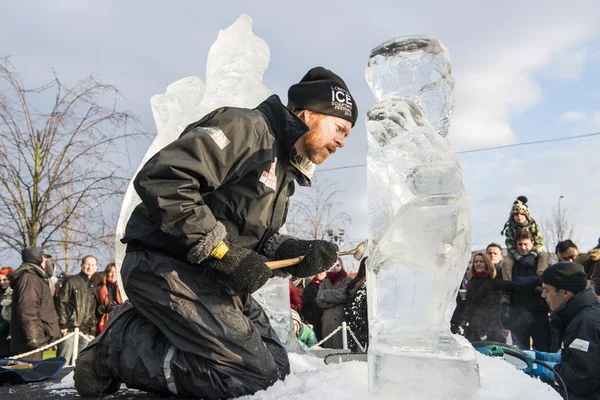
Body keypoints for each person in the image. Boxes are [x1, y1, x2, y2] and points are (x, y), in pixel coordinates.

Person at [73, 66, 357, 398]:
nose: (341, 142)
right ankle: (118, 348)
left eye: (347, 135)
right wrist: (221, 252)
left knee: (278, 369)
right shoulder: (247, 129)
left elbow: (250, 236)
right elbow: (164, 179)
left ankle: (155, 325)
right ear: (308, 114)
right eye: (339, 128)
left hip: (211, 279)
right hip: (164, 264)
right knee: (250, 376)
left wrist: (293, 253)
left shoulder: (283, 171)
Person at [524, 261, 600, 399]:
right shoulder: (580, 315)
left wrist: (541, 368)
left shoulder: (585, 322)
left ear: (565, 293)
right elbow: (579, 358)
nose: (543, 295)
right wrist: (540, 357)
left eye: (547, 290)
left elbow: (581, 376)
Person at [501, 230, 551, 351]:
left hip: (539, 313)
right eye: (520, 244)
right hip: (518, 312)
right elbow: (499, 283)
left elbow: (547, 280)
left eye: (526, 244)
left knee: (543, 350)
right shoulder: (511, 263)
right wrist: (516, 284)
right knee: (520, 353)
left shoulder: (540, 261)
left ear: (532, 244)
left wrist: (531, 281)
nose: (523, 248)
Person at [9, 247, 60, 360]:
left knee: (33, 372)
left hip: (38, 335)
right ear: (39, 257)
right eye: (45, 257)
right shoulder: (30, 278)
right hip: (33, 339)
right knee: (28, 372)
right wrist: (32, 337)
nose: (47, 260)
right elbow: (27, 309)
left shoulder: (35, 277)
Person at [56, 255, 100, 364]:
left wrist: (93, 330)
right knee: (64, 360)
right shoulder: (71, 281)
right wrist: (63, 324)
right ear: (81, 265)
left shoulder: (96, 285)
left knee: (81, 363)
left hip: (86, 331)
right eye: (87, 264)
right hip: (70, 328)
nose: (90, 267)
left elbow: (94, 309)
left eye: (93, 265)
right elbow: (61, 302)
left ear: (96, 267)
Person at [458, 253, 503, 343]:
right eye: (476, 262)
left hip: (487, 328)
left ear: (487, 263)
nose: (478, 264)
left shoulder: (491, 282)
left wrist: (485, 329)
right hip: (472, 326)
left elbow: (493, 308)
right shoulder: (472, 281)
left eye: (481, 261)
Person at [501, 196, 548, 283]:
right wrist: (519, 257)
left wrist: (532, 254)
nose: (519, 217)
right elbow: (510, 246)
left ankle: (541, 278)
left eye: (522, 214)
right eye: (516, 214)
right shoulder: (510, 229)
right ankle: (507, 288)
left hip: (533, 251)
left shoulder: (534, 226)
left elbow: (539, 242)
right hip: (515, 253)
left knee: (544, 256)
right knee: (506, 262)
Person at [317, 258, 353, 349]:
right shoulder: (325, 281)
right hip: (327, 323)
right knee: (329, 351)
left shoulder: (347, 280)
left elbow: (344, 295)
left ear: (342, 266)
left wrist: (325, 295)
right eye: (333, 265)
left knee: (342, 348)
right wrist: (335, 300)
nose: (335, 268)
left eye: (338, 265)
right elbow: (319, 300)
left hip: (342, 321)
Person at [344, 257, 368, 353]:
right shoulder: (361, 286)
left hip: (356, 326)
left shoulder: (356, 285)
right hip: (360, 327)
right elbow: (355, 310)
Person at [96, 263, 123, 334]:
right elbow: (95, 307)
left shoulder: (123, 287)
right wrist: (106, 308)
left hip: (121, 319)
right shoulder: (99, 288)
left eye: (115, 272)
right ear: (107, 273)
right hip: (105, 321)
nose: (113, 275)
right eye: (111, 272)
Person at [302, 270, 327, 341]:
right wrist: (309, 319)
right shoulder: (309, 288)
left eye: (322, 270)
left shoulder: (332, 283)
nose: (320, 272)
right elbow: (305, 306)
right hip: (316, 321)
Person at [0, 267, 14, 357]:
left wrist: (4, 324)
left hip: (9, 331)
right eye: (0, 280)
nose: (2, 282)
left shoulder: (13, 293)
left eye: (5, 279)